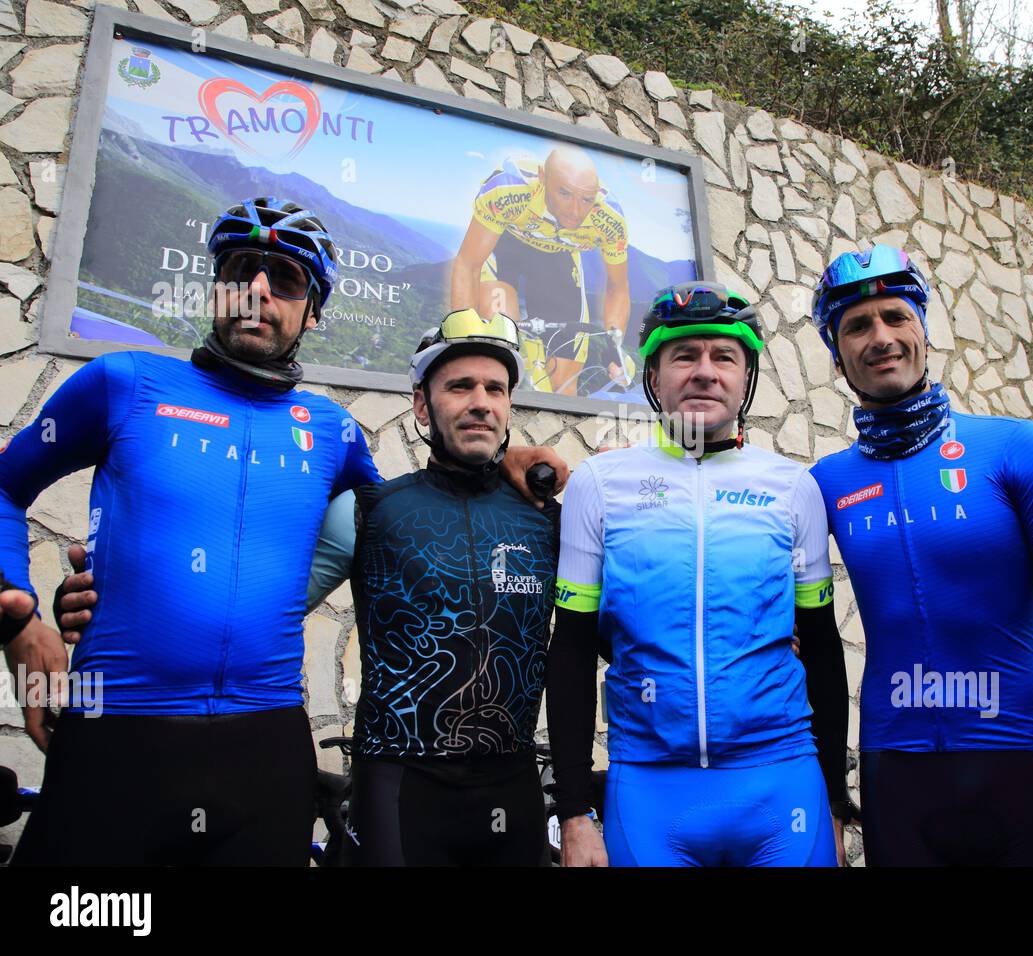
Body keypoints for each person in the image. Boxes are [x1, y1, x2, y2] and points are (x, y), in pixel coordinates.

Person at [1, 197, 563, 865]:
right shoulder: (121, 384)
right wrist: (22, 621)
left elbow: (419, 510)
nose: (259, 291)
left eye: (287, 279)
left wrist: (508, 461)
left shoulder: (332, 431)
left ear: (313, 309)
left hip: (265, 749)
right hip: (115, 732)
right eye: (242, 270)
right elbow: (7, 488)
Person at [808, 245, 1033, 866]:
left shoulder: (1015, 446)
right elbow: (787, 621)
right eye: (857, 326)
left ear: (924, 329)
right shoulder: (825, 482)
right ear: (838, 354)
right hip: (898, 769)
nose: (880, 337)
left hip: (1025, 757)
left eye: (896, 317)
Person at [546, 282, 850, 867]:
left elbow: (821, 645)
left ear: (746, 376)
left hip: (780, 777)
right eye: (684, 355)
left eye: (724, 357)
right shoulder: (600, 484)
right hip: (650, 785)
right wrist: (576, 812)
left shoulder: (793, 487)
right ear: (654, 376)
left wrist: (835, 801)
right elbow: (573, 651)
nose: (705, 371)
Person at [304, 309, 559, 866]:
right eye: (459, 386)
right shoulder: (368, 511)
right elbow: (263, 610)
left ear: (509, 406)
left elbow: (613, 632)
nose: (480, 402)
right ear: (423, 405)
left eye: (496, 388)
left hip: (512, 784)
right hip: (399, 786)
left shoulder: (547, 520)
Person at [450, 147, 635, 395]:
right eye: (565, 194)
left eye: (586, 200)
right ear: (543, 177)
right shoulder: (508, 189)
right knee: (500, 336)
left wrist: (615, 345)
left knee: (564, 392)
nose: (575, 211)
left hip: (558, 259)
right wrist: (461, 338)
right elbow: (468, 263)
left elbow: (617, 286)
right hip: (506, 245)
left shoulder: (609, 218)